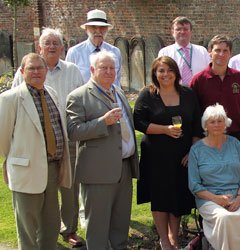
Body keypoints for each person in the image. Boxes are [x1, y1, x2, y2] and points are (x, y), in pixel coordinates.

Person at [11, 28, 85, 247]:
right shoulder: (26, 71)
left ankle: (69, 229)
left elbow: (81, 100)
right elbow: (15, 103)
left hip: (68, 137)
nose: (52, 46)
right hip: (36, 142)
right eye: (47, 43)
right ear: (39, 47)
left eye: (56, 43)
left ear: (63, 48)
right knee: (40, 190)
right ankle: (38, 234)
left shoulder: (72, 70)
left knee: (70, 188)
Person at [66, 51, 139, 249]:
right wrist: (102, 122)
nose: (109, 71)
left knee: (120, 224)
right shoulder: (79, 96)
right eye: (103, 68)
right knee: (97, 229)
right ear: (92, 70)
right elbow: (73, 132)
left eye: (112, 68)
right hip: (98, 173)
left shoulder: (119, 92)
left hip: (124, 168)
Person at [0, 53, 72, 250]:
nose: (36, 72)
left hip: (53, 169)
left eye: (40, 68)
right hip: (27, 171)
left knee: (51, 223)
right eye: (31, 68)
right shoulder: (10, 98)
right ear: (22, 72)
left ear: (46, 71)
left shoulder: (52, 93)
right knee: (28, 225)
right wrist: (15, 160)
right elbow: (2, 140)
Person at [133, 56, 202, 249]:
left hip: (182, 156)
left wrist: (193, 151)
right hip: (156, 156)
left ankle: (174, 236)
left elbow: (197, 124)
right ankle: (164, 239)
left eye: (169, 70)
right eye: (161, 71)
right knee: (160, 196)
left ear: (176, 73)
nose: (165, 74)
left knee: (178, 196)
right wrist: (164, 129)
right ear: (155, 73)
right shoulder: (148, 94)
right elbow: (138, 122)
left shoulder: (188, 94)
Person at [188, 104, 240, 250]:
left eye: (220, 121)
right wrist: (217, 199)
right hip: (208, 199)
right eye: (212, 121)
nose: (217, 124)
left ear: (225, 123)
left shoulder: (234, 143)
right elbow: (194, 185)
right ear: (206, 125)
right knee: (225, 218)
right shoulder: (196, 150)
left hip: (235, 196)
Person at [190, 35, 240, 145]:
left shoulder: (238, 77)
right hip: (208, 137)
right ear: (210, 52)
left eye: (225, 51)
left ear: (230, 53)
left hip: (235, 135)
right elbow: (193, 113)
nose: (221, 54)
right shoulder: (199, 80)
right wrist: (195, 138)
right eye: (217, 50)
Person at [66, 9, 123, 87]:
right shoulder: (74, 53)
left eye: (102, 27)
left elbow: (117, 81)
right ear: (86, 29)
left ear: (107, 29)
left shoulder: (115, 52)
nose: (98, 31)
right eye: (93, 27)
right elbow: (68, 81)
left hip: (109, 97)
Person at [157, 16, 211, 86]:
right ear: (172, 32)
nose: (182, 32)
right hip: (175, 93)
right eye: (178, 29)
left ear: (191, 32)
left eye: (186, 29)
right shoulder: (164, 53)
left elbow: (210, 73)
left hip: (198, 93)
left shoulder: (202, 51)